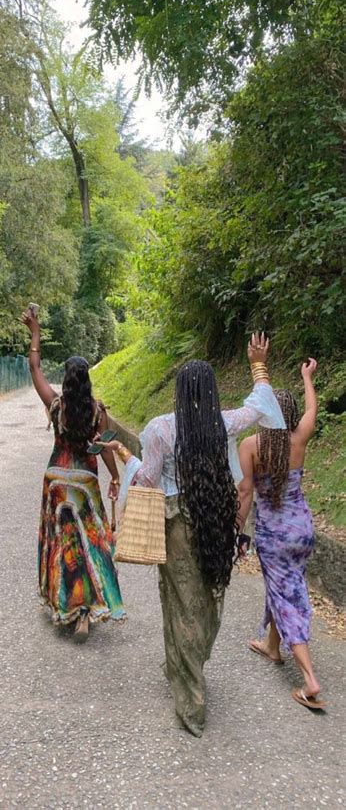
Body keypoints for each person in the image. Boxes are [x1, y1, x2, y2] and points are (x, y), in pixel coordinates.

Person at [99, 333, 285, 736]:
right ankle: (189, 660)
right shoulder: (223, 424)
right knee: (208, 597)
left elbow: (147, 480)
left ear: (180, 393)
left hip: (176, 526)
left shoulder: (160, 429)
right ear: (213, 391)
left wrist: (127, 466)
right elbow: (259, 406)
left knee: (180, 604)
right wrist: (258, 365)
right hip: (216, 521)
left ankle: (191, 701)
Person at [21, 308, 126, 643]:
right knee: (90, 544)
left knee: (63, 542)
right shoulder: (98, 412)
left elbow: (35, 368)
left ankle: (65, 603)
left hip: (56, 481)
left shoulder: (56, 406)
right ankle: (85, 610)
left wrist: (35, 333)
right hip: (84, 483)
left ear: (65, 381)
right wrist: (114, 478)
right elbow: (105, 448)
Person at [237, 358, 326, 709]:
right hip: (302, 529)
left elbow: (245, 493)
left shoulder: (251, 447)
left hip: (273, 535)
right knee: (285, 586)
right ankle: (272, 647)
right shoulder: (300, 437)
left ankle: (309, 680)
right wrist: (307, 377)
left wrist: (237, 533)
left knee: (287, 597)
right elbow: (312, 407)